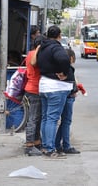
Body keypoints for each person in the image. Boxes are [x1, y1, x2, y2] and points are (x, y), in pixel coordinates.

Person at [36, 25, 73, 159]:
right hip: (56, 87)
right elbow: (64, 59)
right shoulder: (56, 47)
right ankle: (51, 149)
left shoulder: (42, 47)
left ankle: (46, 146)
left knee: (46, 118)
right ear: (59, 35)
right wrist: (63, 72)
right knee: (52, 119)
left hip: (44, 85)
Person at [55, 48, 84, 154]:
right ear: (71, 58)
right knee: (66, 122)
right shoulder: (69, 69)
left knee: (63, 122)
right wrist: (76, 90)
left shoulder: (58, 68)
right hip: (69, 97)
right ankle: (66, 145)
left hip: (61, 96)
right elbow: (72, 84)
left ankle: (57, 143)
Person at [23, 35, 46, 156]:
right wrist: (39, 49)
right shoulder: (34, 54)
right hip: (34, 89)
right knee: (33, 118)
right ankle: (29, 145)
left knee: (37, 118)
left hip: (34, 89)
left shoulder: (30, 53)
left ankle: (36, 142)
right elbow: (34, 63)